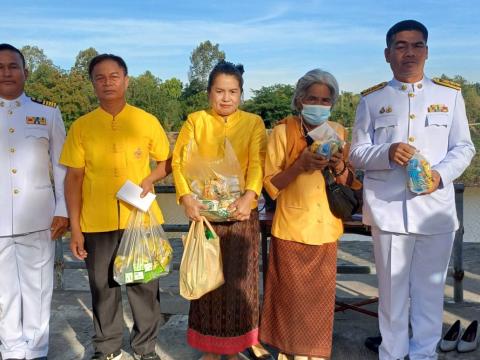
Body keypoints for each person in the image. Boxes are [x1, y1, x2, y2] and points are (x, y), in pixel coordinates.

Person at [349, 20, 476, 360]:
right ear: (388, 54)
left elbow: (464, 148)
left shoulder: (449, 96)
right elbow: (356, 153)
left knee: (430, 293)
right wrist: (386, 152)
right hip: (389, 211)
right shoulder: (373, 100)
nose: (409, 53)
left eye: (417, 45)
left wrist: (438, 175)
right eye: (401, 46)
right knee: (391, 296)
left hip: (434, 210)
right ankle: (391, 354)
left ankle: (424, 354)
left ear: (427, 52)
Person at [60, 54, 172, 360]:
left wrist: (149, 178)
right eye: (100, 77)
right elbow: (73, 179)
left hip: (141, 219)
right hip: (96, 221)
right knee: (102, 287)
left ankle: (145, 350)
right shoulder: (82, 127)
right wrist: (76, 228)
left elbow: (166, 163)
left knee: (145, 287)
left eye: (114, 76)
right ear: (92, 84)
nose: (108, 82)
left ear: (126, 80)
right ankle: (107, 348)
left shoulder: (146, 121)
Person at [259, 69, 359, 360]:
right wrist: (300, 165)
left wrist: (339, 166)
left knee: (319, 301)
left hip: (326, 226)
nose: (319, 104)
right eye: (312, 98)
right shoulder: (282, 131)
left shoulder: (338, 131)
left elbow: (348, 181)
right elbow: (269, 186)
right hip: (292, 226)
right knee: (289, 298)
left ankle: (315, 353)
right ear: (300, 99)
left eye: (325, 100)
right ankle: (290, 352)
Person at [172, 60, 267, 360]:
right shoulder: (195, 121)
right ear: (209, 93)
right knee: (207, 281)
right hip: (204, 214)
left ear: (241, 94)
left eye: (233, 92)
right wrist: (187, 198)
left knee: (243, 282)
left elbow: (258, 162)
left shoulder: (253, 122)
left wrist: (249, 195)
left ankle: (247, 340)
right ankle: (211, 347)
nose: (226, 98)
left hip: (241, 214)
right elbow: (178, 162)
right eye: (219, 91)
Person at [0, 43, 69, 360]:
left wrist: (63, 210)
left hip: (39, 219)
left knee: (39, 289)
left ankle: (37, 349)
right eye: (0, 67)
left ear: (25, 72)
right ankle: (12, 349)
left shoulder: (47, 113)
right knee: (3, 294)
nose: (6, 73)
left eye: (13, 66)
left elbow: (62, 167)